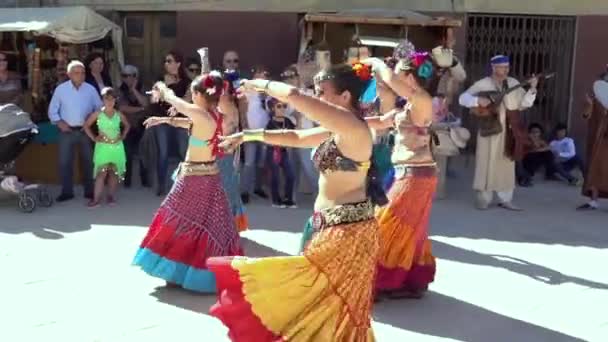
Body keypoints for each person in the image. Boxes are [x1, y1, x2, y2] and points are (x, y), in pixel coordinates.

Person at [208, 64, 384, 341]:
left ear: (345, 96)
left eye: (322, 92)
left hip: (349, 235)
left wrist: (260, 84)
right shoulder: (336, 130)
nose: (317, 97)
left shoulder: (353, 128)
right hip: (329, 229)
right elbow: (295, 137)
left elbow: (293, 95)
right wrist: (248, 135)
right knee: (316, 304)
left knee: (327, 306)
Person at [133, 71, 243, 292]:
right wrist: (164, 119)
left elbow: (174, 100)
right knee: (200, 227)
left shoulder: (201, 114)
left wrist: (162, 88)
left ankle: (177, 271)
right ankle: (183, 273)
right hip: (208, 179)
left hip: (194, 180)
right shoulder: (213, 116)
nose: (192, 97)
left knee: (176, 223)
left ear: (201, 95)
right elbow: (191, 124)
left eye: (193, 93)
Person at [362, 52, 440, 299]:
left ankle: (385, 280)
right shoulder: (409, 105)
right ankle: (406, 279)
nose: (394, 78)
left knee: (388, 223)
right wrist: (348, 119)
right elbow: (382, 121)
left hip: (415, 175)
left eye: (399, 73)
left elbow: (391, 81)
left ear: (408, 76)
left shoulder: (422, 99)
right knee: (406, 228)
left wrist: (377, 64)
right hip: (410, 173)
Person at [459, 55, 538, 211]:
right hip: (490, 129)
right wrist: (477, 101)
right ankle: (484, 198)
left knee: (506, 163)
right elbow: (463, 98)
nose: (506, 70)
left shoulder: (514, 83)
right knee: (486, 162)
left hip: (509, 131)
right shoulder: (483, 83)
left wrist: (533, 88)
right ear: (494, 68)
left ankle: (506, 199)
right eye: (502, 67)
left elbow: (524, 104)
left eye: (507, 67)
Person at [48, 60, 103, 202]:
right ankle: (67, 192)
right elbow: (52, 110)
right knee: (64, 162)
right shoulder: (61, 89)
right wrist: (59, 122)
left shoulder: (90, 89)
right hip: (67, 131)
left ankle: (90, 191)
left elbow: (100, 108)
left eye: (83, 72)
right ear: (69, 74)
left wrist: (92, 117)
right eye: (77, 72)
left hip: (85, 131)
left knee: (88, 162)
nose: (81, 75)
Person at [147, 51, 192, 196]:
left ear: (178, 63)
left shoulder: (186, 81)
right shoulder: (160, 80)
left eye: (169, 60)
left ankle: (183, 186)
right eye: (165, 61)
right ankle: (161, 185)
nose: (166, 63)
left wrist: (177, 104)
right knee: (163, 153)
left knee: (183, 153)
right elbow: (153, 100)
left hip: (180, 121)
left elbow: (188, 99)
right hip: (162, 120)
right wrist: (163, 89)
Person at [83, 87, 129, 207]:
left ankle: (111, 196)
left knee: (114, 173)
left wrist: (123, 135)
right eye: (106, 99)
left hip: (116, 147)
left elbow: (127, 125)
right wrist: (94, 138)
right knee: (101, 174)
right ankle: (96, 199)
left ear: (115, 100)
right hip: (103, 147)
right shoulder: (98, 114)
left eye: (112, 99)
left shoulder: (118, 114)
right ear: (102, 99)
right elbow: (86, 125)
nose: (109, 101)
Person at [281, 65, 319, 196]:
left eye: (292, 76)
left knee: (308, 166)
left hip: (306, 135)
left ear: (298, 77)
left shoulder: (309, 94)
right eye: (286, 77)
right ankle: (292, 196)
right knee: (292, 166)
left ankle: (320, 194)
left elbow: (317, 114)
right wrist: (293, 115)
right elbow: (282, 115)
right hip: (291, 135)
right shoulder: (284, 95)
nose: (289, 80)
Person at [217, 81, 248, 232]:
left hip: (225, 156)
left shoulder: (227, 106)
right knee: (226, 191)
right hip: (223, 154)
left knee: (226, 192)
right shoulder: (226, 105)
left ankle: (226, 229)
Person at [577, 70, 608, 210]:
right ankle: (593, 201)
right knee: (595, 169)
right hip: (597, 139)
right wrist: (589, 103)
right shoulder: (597, 93)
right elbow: (585, 115)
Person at [240, 65, 271, 203]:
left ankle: (258, 187)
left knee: (262, 162)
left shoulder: (270, 92)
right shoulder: (248, 89)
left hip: (265, 131)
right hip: (251, 131)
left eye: (264, 74)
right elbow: (242, 110)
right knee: (249, 162)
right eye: (259, 73)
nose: (262, 76)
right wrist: (245, 126)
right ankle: (244, 191)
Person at [117, 64, 150, 188]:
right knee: (128, 152)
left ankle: (145, 179)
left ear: (135, 76)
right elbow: (122, 107)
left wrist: (135, 90)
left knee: (143, 152)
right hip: (127, 126)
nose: (126, 79)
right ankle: (127, 180)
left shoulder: (143, 88)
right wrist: (141, 108)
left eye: (128, 75)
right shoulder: (120, 90)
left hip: (142, 124)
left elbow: (146, 103)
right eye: (123, 76)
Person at [265, 97, 297, 208]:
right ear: (273, 108)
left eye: (284, 106)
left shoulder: (287, 121)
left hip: (284, 152)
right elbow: (266, 139)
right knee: (275, 176)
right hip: (272, 152)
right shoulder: (270, 123)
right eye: (279, 106)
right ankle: (276, 200)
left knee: (291, 175)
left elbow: (294, 134)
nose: (282, 108)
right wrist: (277, 143)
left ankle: (288, 199)